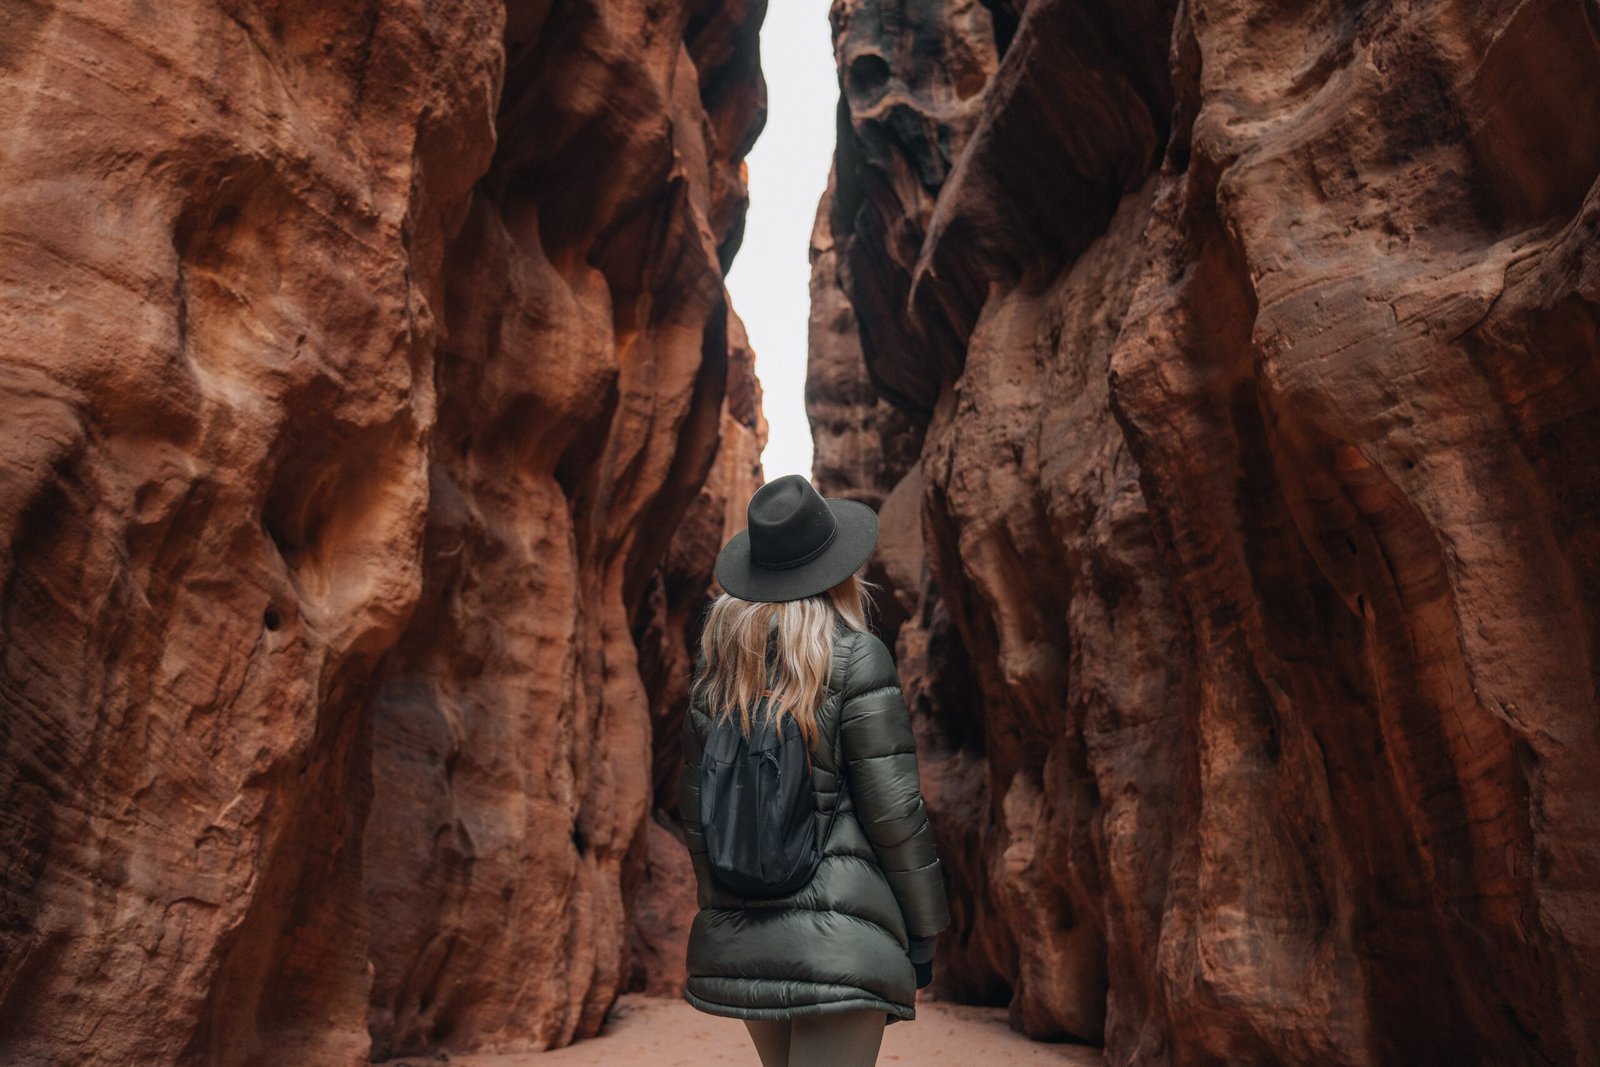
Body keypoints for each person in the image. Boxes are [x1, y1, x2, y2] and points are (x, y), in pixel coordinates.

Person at [679, 474, 951, 1067]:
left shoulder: (719, 673)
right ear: (838, 570)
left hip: (742, 932)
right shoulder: (854, 657)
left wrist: (726, 904)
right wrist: (925, 928)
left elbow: (697, 809)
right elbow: (894, 811)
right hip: (843, 935)